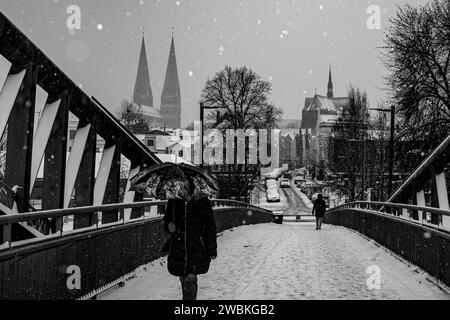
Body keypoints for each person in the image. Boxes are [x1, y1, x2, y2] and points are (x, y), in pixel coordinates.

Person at [162, 178, 217, 300]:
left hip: (196, 245)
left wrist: (212, 249)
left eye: (185, 184)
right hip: (178, 246)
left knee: (190, 278)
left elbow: (210, 227)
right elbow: (167, 221)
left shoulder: (203, 201)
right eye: (181, 184)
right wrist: (169, 226)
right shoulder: (174, 201)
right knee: (183, 278)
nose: (182, 187)